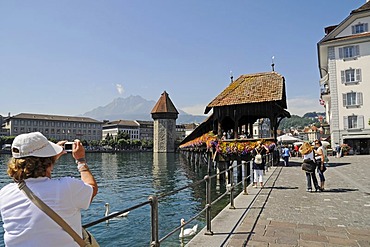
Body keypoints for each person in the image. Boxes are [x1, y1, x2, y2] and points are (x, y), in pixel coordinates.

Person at [0, 132, 98, 246]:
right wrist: (81, 161)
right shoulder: (67, 187)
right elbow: (92, 188)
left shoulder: (4, 193)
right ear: (48, 161)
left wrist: (50, 158)